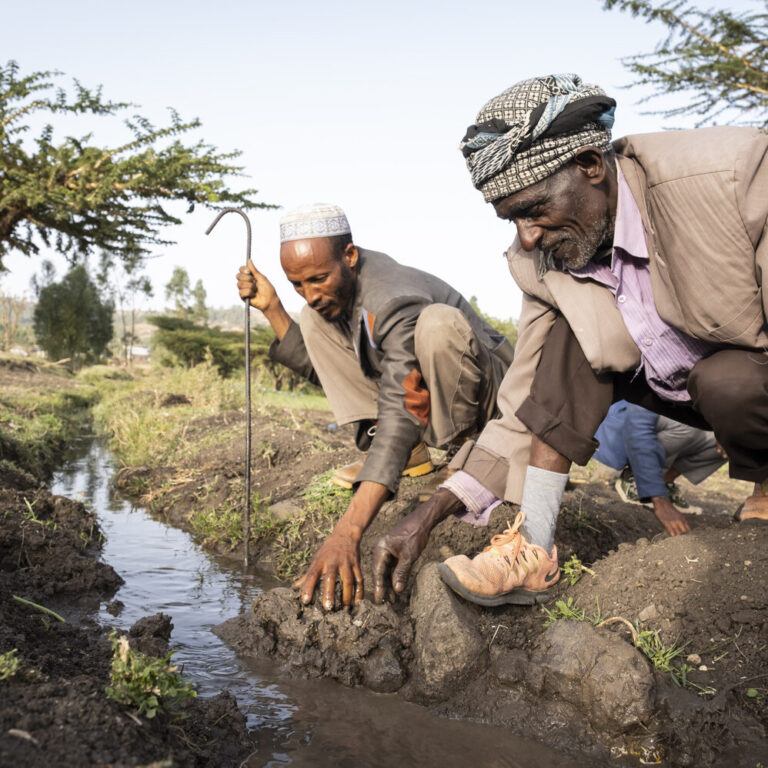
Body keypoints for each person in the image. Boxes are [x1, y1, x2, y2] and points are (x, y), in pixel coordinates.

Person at [371, 73, 768, 609]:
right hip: (674, 392)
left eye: (534, 209)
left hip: (748, 384)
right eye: (512, 219)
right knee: (570, 338)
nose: (528, 235)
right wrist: (432, 509)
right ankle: (533, 546)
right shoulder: (540, 259)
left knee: (730, 380)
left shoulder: (732, 176)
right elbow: (527, 399)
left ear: (590, 165)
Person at [236, 203, 514, 610]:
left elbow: (402, 405)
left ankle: (467, 456)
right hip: (422, 397)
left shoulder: (391, 298)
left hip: (495, 401)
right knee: (311, 320)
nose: (310, 293)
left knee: (436, 324)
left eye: (318, 278)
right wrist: (273, 307)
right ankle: (414, 456)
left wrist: (348, 532)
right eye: (298, 283)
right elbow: (332, 373)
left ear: (349, 256)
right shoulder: (338, 297)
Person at [592, 401, 726, 536]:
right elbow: (639, 428)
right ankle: (634, 479)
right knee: (687, 426)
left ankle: (663, 482)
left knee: (728, 436)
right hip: (626, 427)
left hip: (661, 422)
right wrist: (660, 500)